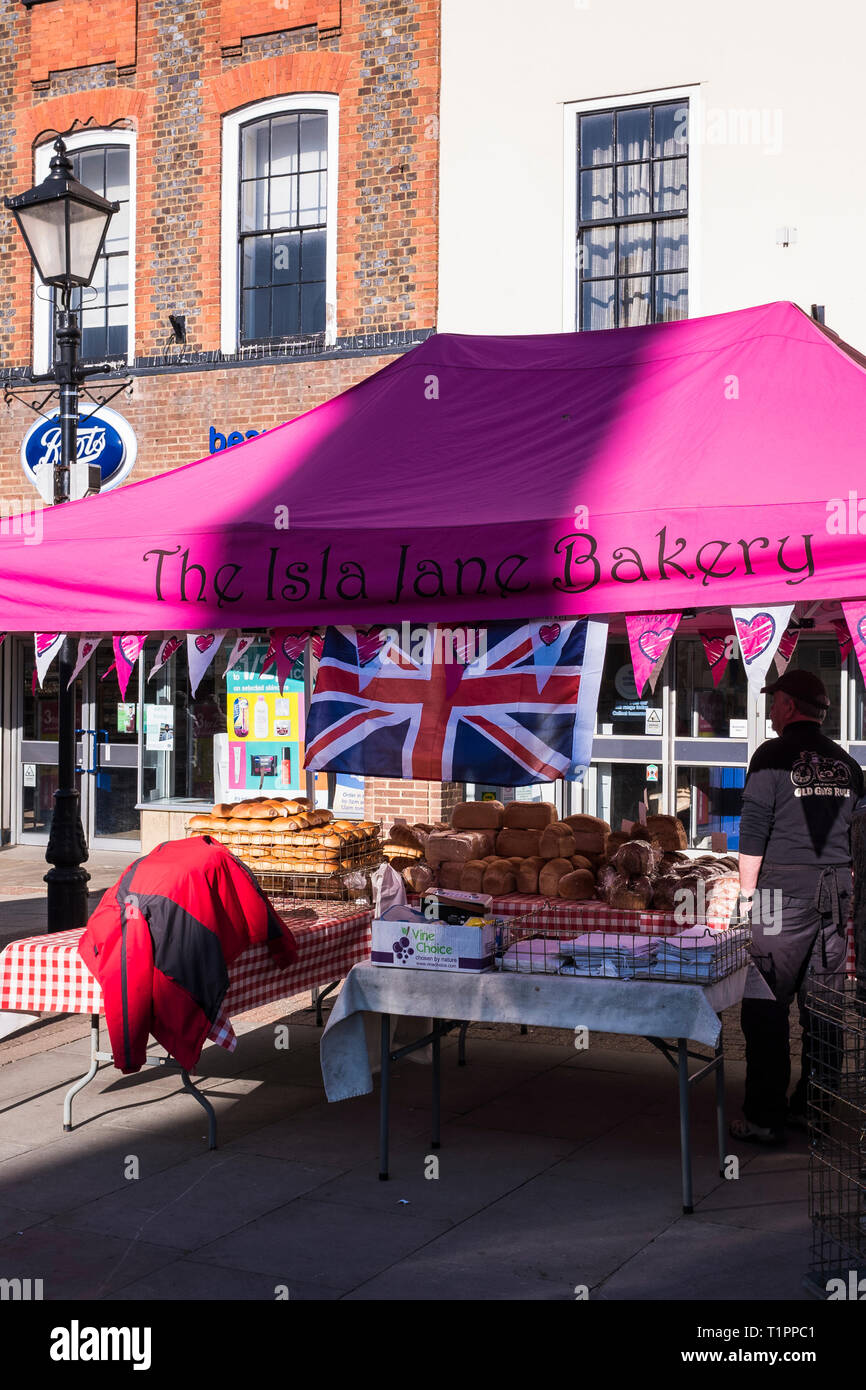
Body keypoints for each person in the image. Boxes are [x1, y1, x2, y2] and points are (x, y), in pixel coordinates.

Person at [732, 668, 863, 1144]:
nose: (770, 709)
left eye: (773, 701)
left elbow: (753, 831)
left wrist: (746, 897)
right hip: (835, 895)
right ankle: (813, 1112)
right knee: (824, 1008)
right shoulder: (848, 765)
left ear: (788, 705)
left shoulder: (770, 756)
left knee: (764, 1006)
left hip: (778, 895)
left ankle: (764, 1118)